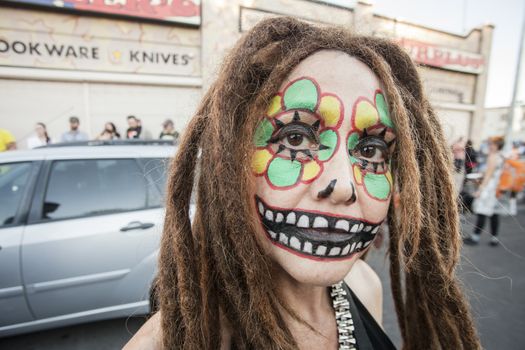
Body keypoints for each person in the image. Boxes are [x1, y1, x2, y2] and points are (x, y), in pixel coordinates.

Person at [125, 17, 480, 350]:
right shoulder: (172, 342)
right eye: (294, 138)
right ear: (229, 161)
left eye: (371, 150)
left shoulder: (364, 286)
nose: (343, 185)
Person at [464, 136, 507, 246]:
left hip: (489, 189)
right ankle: (494, 238)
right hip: (497, 188)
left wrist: (480, 190)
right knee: (494, 214)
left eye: (491, 144)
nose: (489, 145)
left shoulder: (493, 156)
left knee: (482, 213)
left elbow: (488, 176)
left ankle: (475, 237)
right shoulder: (502, 156)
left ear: (496, 145)